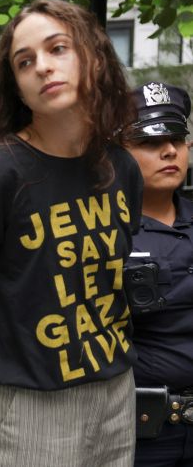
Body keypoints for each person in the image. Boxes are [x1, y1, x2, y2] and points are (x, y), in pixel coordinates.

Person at [0, 0, 142, 466]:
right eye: (25, 62)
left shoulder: (122, 168)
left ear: (91, 55)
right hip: (28, 407)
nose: (43, 67)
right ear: (17, 87)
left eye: (58, 48)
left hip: (114, 393)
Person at [124, 82, 193, 466]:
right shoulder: (107, 233)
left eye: (177, 140)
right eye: (151, 143)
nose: (170, 151)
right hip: (145, 436)